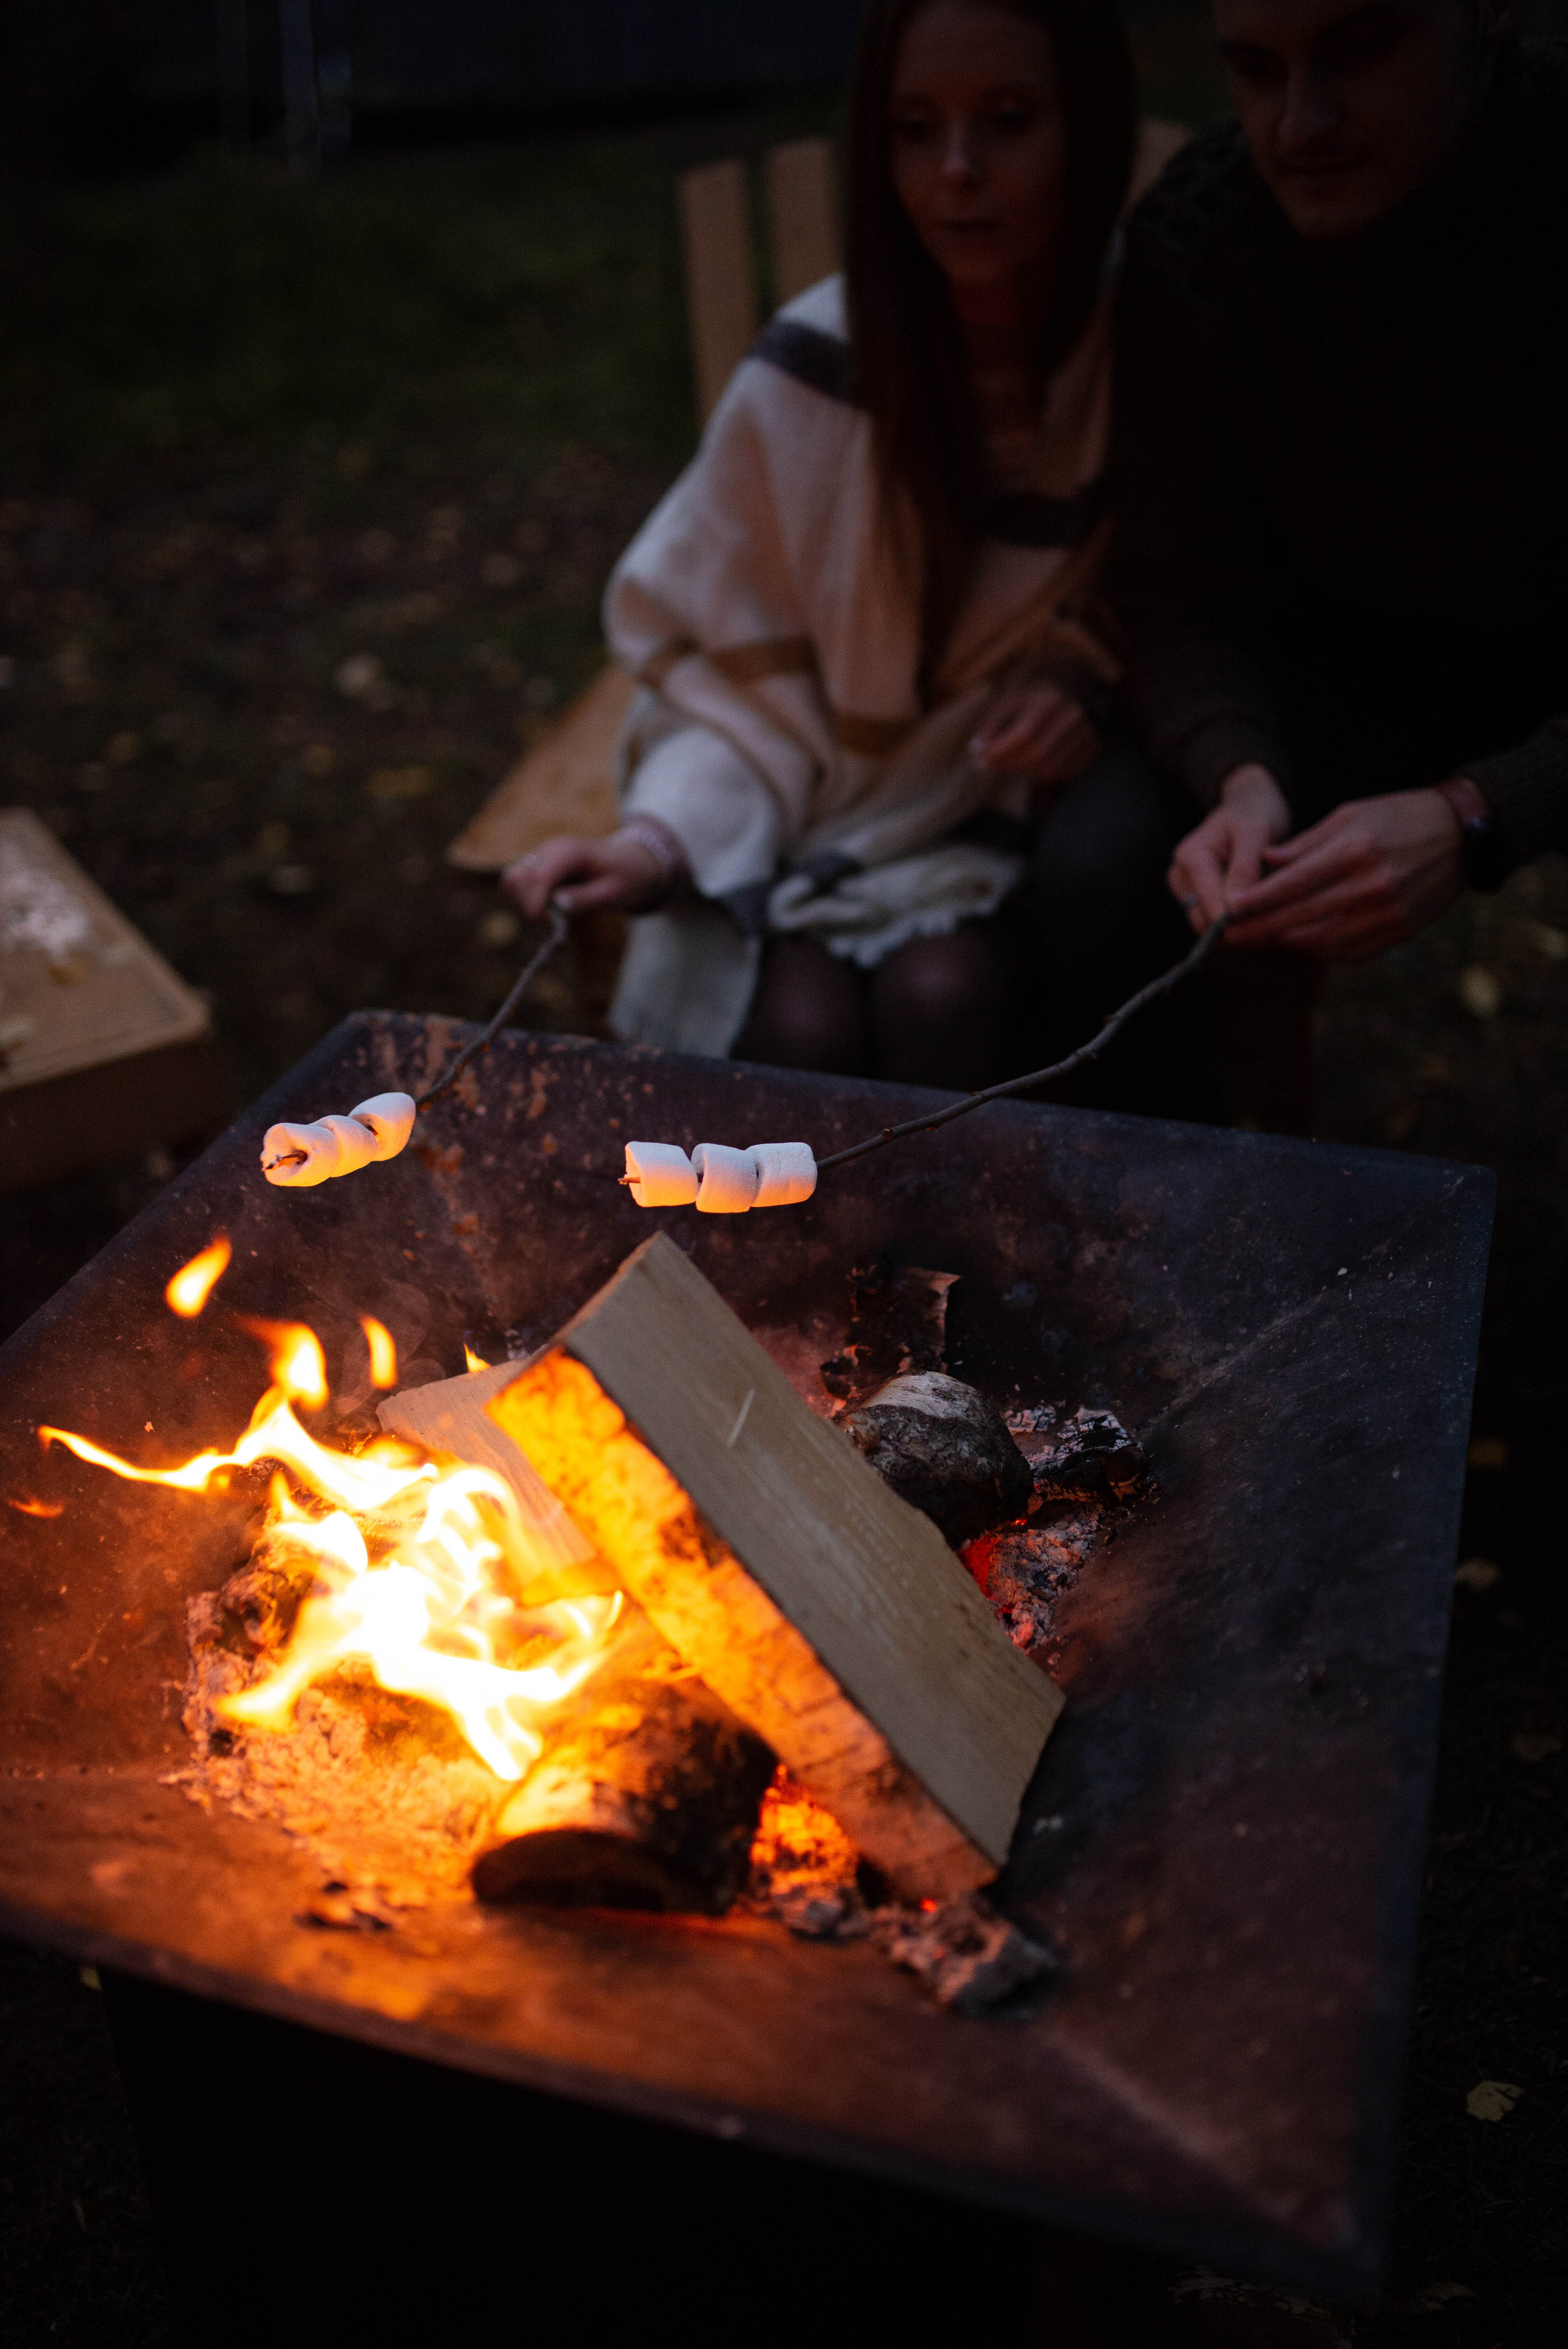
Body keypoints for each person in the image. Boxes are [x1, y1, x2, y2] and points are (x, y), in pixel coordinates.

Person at [508, 0, 1224, 1113]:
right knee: (804, 1030)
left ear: (1089, 126)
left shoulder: (1141, 359)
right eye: (913, 130)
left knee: (944, 995)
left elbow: (1171, 593)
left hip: (981, 816)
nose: (956, 173)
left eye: (1008, 121)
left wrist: (1082, 679)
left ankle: (974, 1222)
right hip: (790, 806)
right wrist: (653, 845)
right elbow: (722, 666)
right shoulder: (812, 377)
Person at [1112, 0, 1568, 959]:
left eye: (1357, 53)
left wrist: (1481, 811)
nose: (1299, 124)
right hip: (1340, 681)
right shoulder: (1204, 241)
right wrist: (1240, 774)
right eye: (1254, 69)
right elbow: (1178, 586)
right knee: (1103, 852)